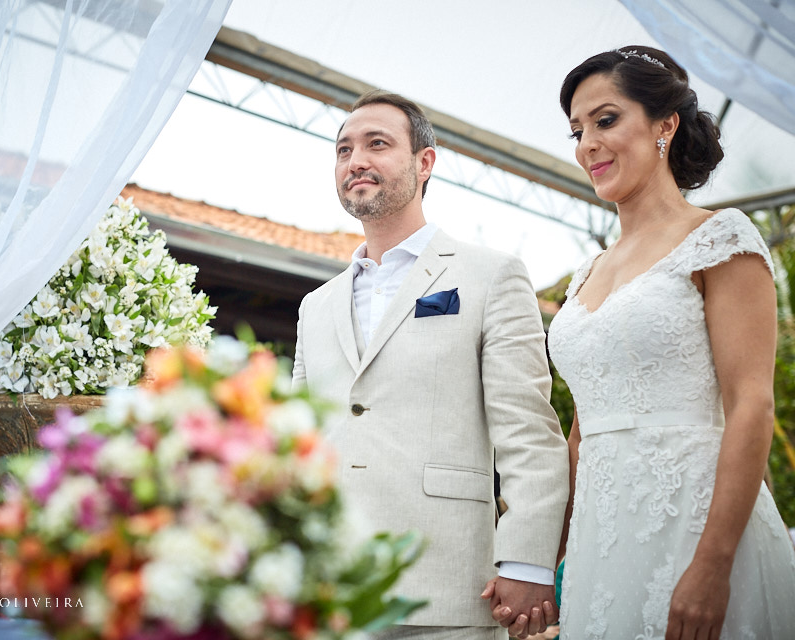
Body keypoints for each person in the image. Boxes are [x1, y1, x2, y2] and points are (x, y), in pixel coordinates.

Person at [292, 90, 569, 640]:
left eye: (377, 144)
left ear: (425, 162)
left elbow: (528, 430)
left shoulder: (492, 275)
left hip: (446, 587)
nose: (356, 161)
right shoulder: (314, 305)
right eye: (343, 149)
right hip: (326, 591)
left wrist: (527, 562)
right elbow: (298, 442)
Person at [547, 46, 795, 638]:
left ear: (665, 124)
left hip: (698, 528)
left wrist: (713, 564)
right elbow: (581, 434)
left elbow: (752, 404)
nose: (587, 144)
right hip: (599, 546)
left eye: (605, 120)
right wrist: (549, 556)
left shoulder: (719, 239)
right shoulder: (586, 273)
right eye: (577, 131)